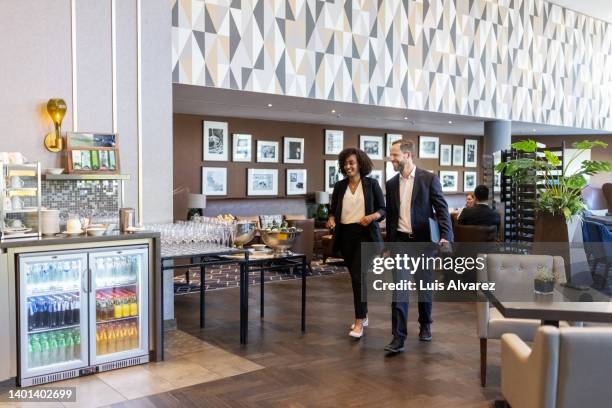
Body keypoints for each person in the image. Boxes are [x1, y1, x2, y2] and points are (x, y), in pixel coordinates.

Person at [384, 139, 453, 353]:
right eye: (390, 155)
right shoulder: (391, 183)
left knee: (424, 287)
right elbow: (393, 216)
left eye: (394, 155)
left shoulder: (429, 179)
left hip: (424, 244)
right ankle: (398, 336)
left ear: (407, 155)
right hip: (401, 243)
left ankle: (425, 324)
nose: (391, 159)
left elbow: (442, 210)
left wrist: (446, 236)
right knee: (400, 289)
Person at [327, 148, 385, 339]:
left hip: (366, 235)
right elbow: (333, 209)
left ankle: (359, 321)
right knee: (356, 277)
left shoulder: (371, 184)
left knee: (358, 277)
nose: (348, 166)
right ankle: (364, 313)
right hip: (346, 236)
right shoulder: (339, 186)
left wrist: (372, 216)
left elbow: (384, 210)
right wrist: (332, 219)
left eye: (351, 163)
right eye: (345, 163)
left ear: (360, 163)